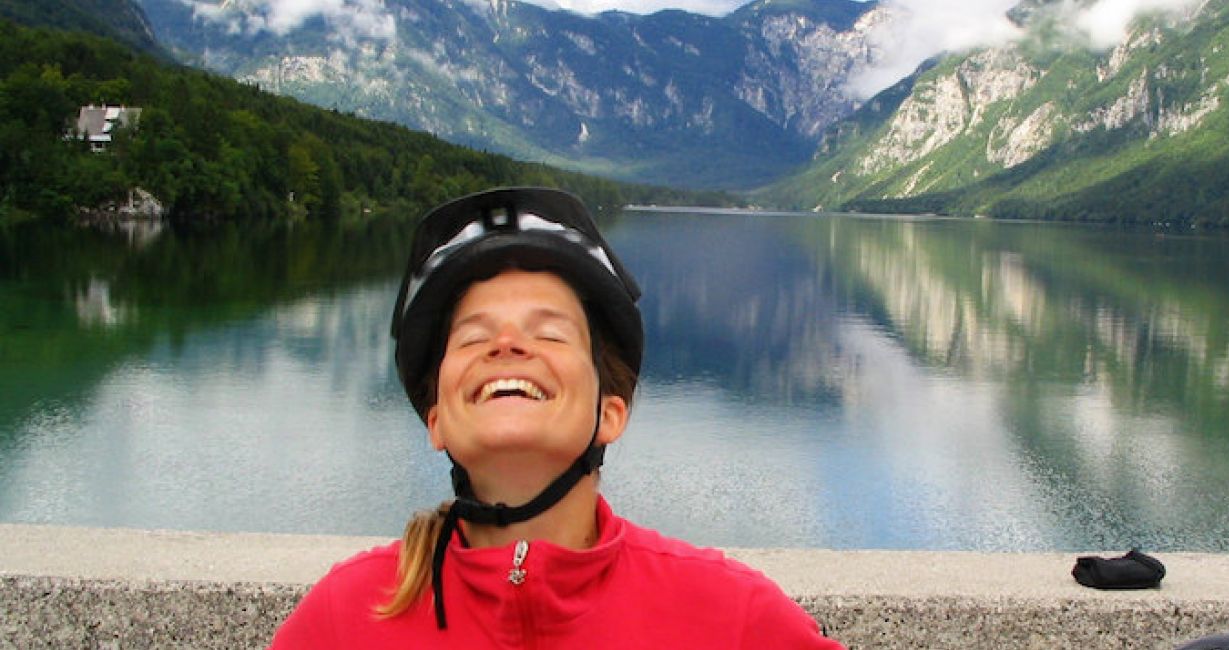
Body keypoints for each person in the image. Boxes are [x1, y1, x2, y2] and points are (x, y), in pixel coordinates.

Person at [271, 188, 842, 648]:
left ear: (610, 414)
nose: (508, 344)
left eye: (549, 332)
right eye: (472, 338)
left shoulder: (728, 617)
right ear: (437, 419)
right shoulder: (344, 619)